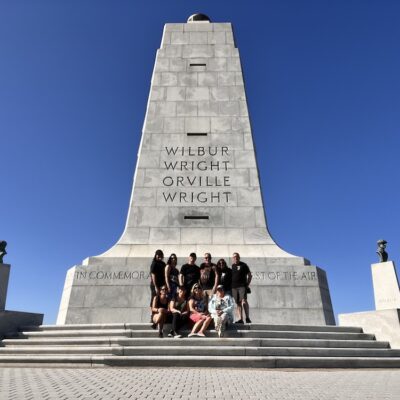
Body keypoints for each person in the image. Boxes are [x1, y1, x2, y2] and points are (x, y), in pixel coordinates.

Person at [231, 252, 252, 324]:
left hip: (242, 286)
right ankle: (240, 319)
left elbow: (250, 275)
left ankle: (247, 317)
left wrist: (247, 285)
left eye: (236, 257)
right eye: (234, 257)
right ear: (232, 258)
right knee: (238, 303)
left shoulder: (244, 265)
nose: (235, 258)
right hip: (234, 287)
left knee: (244, 300)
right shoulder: (232, 266)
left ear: (239, 257)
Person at [149, 250, 166, 323]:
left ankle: (159, 315)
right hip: (155, 285)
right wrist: (156, 286)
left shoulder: (163, 264)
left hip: (162, 285)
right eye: (157, 255)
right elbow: (153, 275)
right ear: (155, 255)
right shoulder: (154, 263)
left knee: (160, 299)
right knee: (154, 298)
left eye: (160, 255)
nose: (159, 256)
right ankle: (152, 315)